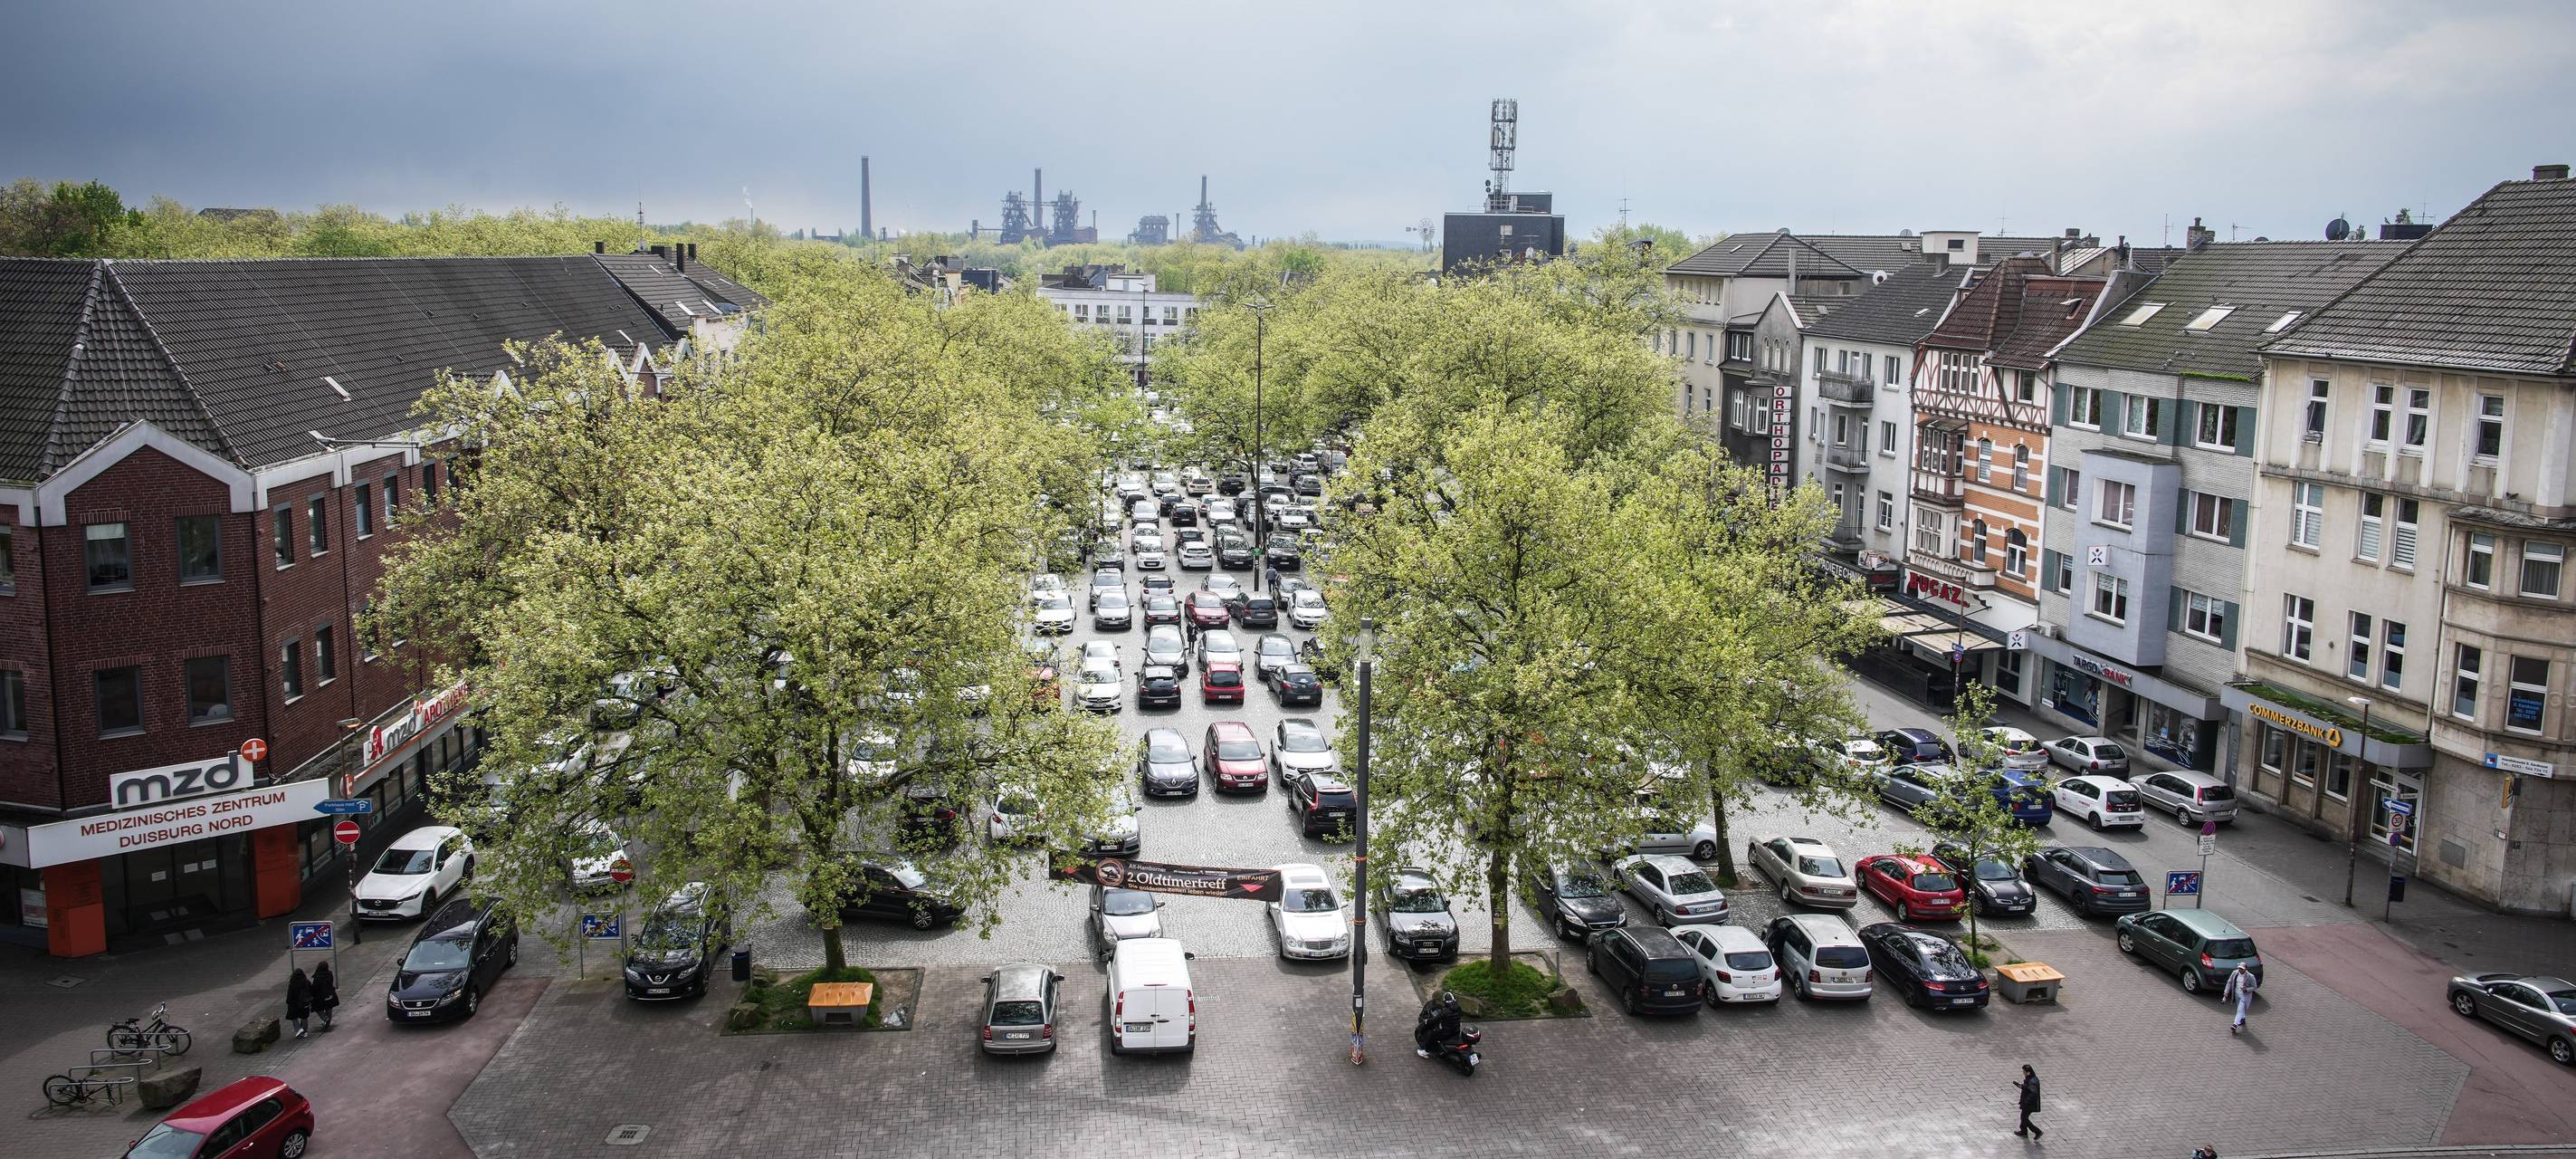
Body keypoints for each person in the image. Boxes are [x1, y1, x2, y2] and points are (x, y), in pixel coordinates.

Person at [1415, 991, 1461, 1059]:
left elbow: (1435, 1020)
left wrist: (1427, 1021)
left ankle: (1426, 1051)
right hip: (1456, 1030)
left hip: (1447, 1033)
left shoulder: (1446, 1012)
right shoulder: (1458, 1008)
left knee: (1433, 1036)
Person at [2225, 963, 2259, 1033]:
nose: (2240, 970)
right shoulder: (2235, 973)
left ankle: (2235, 1024)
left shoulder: (2250, 976)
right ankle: (2242, 1019)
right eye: (2239, 968)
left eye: (2242, 969)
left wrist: (2246, 989)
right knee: (2240, 1008)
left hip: (2245, 996)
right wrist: (2226, 993)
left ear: (2246, 969)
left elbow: (2254, 986)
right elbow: (2229, 982)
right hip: (2237, 995)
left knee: (2240, 1010)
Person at [2013, 1064, 2043, 1139]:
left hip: (2030, 1104)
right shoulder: (2031, 1078)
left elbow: (2033, 1093)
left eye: (2024, 1072)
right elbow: (2028, 1088)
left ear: (2028, 1072)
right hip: (2028, 1103)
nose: (2023, 1073)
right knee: (2023, 1117)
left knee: (2024, 1118)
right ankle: (2023, 1132)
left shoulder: (2032, 1081)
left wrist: (2026, 1101)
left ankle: (2037, 1131)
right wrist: (2021, 1086)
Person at [310, 962, 340, 1031]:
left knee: (317, 1008)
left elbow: (315, 988)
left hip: (321, 996)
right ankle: (327, 1024)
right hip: (330, 994)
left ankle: (325, 1018)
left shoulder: (317, 977)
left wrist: (312, 994)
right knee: (329, 1008)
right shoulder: (329, 974)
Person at [286, 967, 313, 1039]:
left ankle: (299, 1029)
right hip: (305, 1002)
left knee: (293, 1017)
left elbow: (290, 995)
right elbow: (311, 991)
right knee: (304, 1017)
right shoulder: (307, 982)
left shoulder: (293, 983)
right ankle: (305, 1032)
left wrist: (288, 1002)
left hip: (295, 1004)